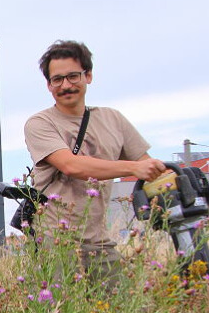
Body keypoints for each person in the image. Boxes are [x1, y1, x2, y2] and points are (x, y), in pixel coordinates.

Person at [24, 40, 167, 281]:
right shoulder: (40, 124)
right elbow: (71, 165)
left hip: (99, 242)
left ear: (88, 76)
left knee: (122, 312)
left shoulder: (113, 119)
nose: (65, 85)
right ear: (48, 85)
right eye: (57, 79)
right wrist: (134, 168)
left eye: (73, 76)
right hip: (56, 242)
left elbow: (150, 168)